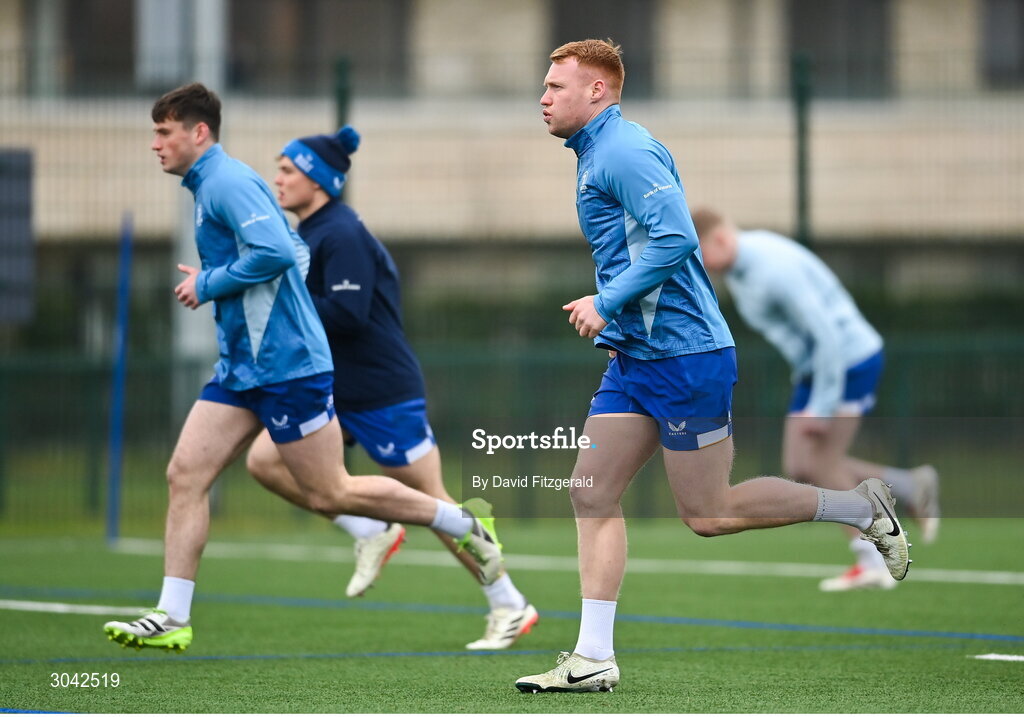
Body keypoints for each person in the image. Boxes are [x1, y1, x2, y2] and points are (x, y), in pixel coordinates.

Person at [514, 40, 910, 694]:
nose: (544, 96)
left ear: (598, 92)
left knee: (710, 513)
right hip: (639, 357)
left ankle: (860, 508)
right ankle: (593, 657)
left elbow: (675, 238)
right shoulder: (594, 154)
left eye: (557, 85)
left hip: (687, 356)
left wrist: (606, 302)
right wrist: (619, 325)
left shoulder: (624, 150)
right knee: (590, 490)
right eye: (546, 85)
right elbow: (633, 249)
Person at [103, 83, 502, 652]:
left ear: (199, 133)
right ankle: (172, 614)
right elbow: (271, 256)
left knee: (330, 493)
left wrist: (209, 283)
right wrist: (218, 278)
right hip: (242, 366)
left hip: (288, 366)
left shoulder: (227, 182)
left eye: (163, 132)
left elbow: (274, 253)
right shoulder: (209, 185)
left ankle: (461, 523)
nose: (155, 144)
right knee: (184, 475)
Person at [243, 125, 537, 649]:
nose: (278, 179)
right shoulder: (307, 234)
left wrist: (277, 305)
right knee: (264, 462)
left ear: (319, 179)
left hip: (381, 390)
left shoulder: (342, 232)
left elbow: (349, 315)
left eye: (288, 170)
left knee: (434, 503)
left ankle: (509, 603)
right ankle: (370, 530)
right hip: (328, 387)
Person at [691, 207, 940, 591]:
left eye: (699, 252)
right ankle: (908, 486)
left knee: (821, 462)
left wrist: (822, 405)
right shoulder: (739, 272)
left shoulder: (772, 269)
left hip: (848, 361)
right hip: (815, 369)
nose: (699, 264)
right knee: (801, 464)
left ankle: (873, 557)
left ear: (720, 240)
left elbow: (825, 336)